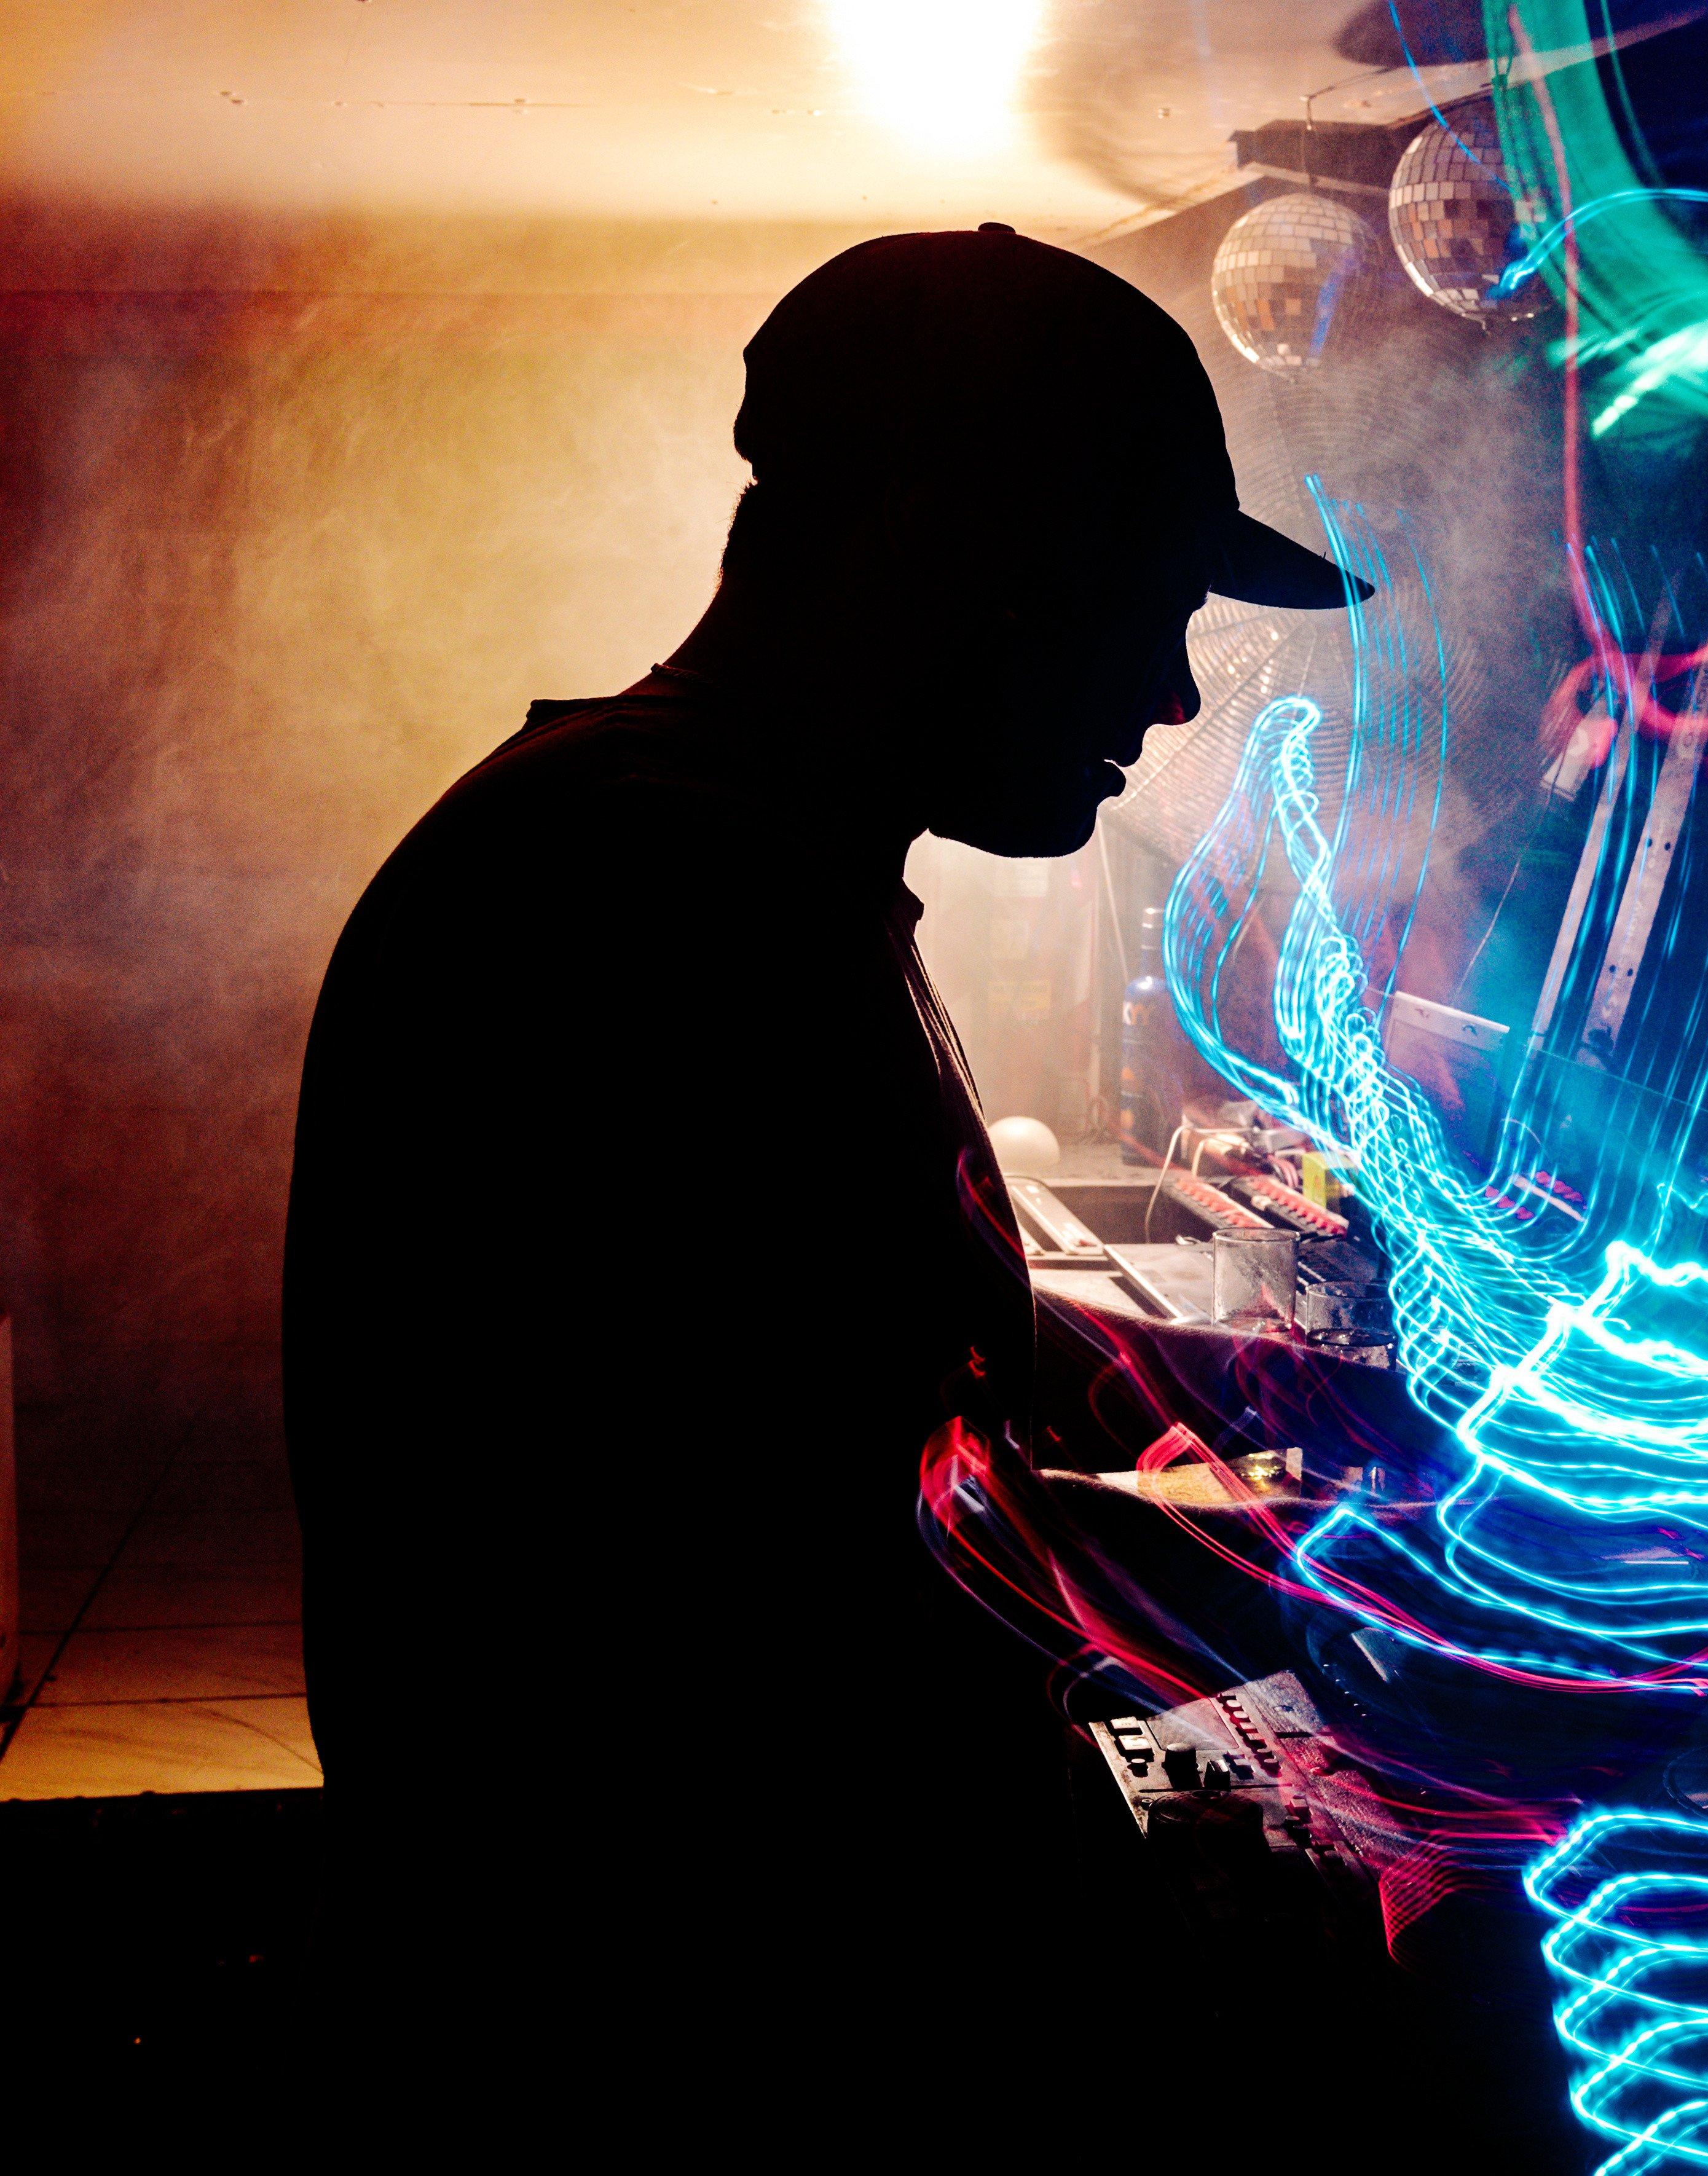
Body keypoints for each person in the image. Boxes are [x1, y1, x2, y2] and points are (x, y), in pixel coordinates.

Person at [281, 225, 1368, 2110]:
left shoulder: (727, 860)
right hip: (711, 2022)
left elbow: (817, 1343)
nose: (1178, 692)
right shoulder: (651, 906)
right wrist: (1386, 1601)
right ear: (955, 548)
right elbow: (835, 1559)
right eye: (1144, 596)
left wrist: (1197, 1380)